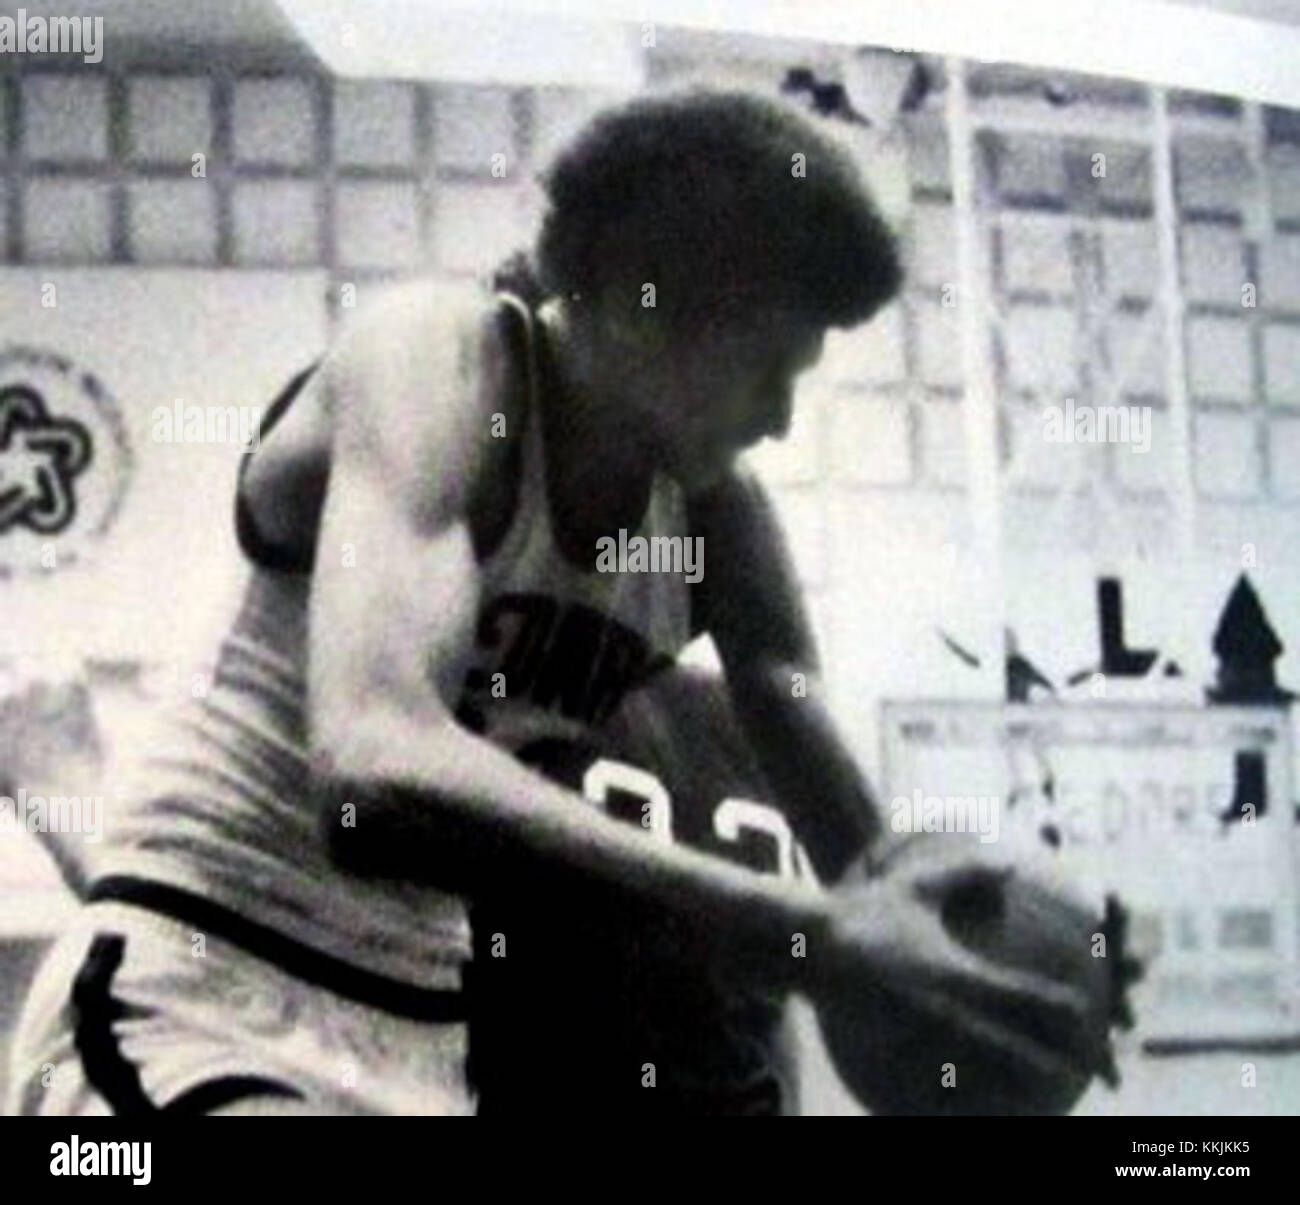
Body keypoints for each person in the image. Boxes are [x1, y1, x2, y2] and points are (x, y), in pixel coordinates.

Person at [8, 87, 1108, 1117]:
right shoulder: (435, 360)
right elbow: (375, 758)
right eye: (769, 366)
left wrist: (998, 963)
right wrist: (799, 931)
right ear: (640, 308)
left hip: (425, 1025)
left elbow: (867, 872)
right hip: (198, 982)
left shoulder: (718, 516)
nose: (780, 417)